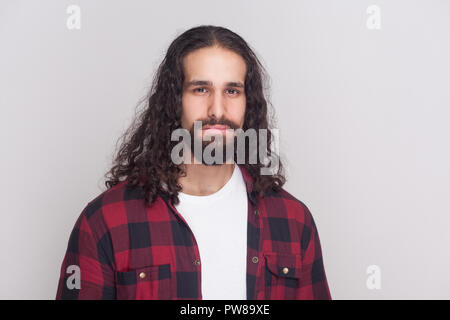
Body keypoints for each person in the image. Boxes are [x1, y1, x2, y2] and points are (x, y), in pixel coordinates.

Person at [56, 25, 331, 300]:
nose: (217, 110)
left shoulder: (293, 220)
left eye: (232, 91)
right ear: (174, 101)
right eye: (201, 89)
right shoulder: (104, 221)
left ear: (249, 103)